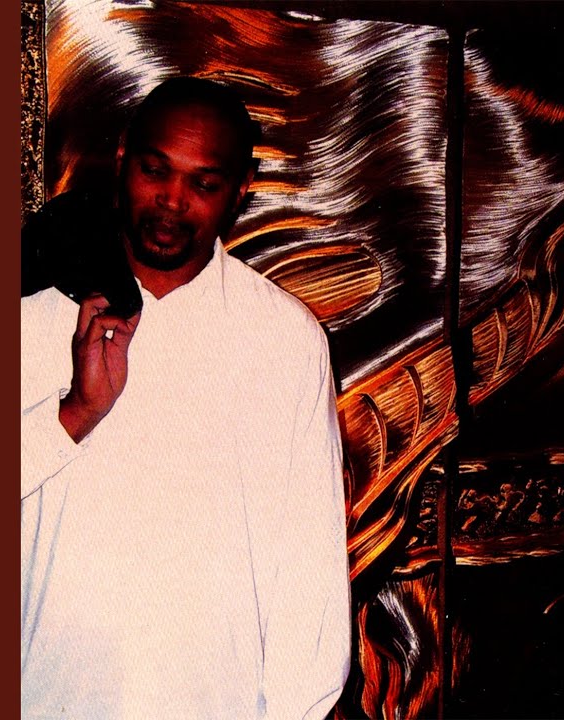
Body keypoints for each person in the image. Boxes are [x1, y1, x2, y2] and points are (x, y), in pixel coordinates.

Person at [20, 77, 351, 719]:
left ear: (240, 190)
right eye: (156, 171)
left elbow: (308, 578)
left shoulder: (284, 339)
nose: (172, 201)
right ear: (123, 158)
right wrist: (74, 414)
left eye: (204, 183)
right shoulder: (35, 310)